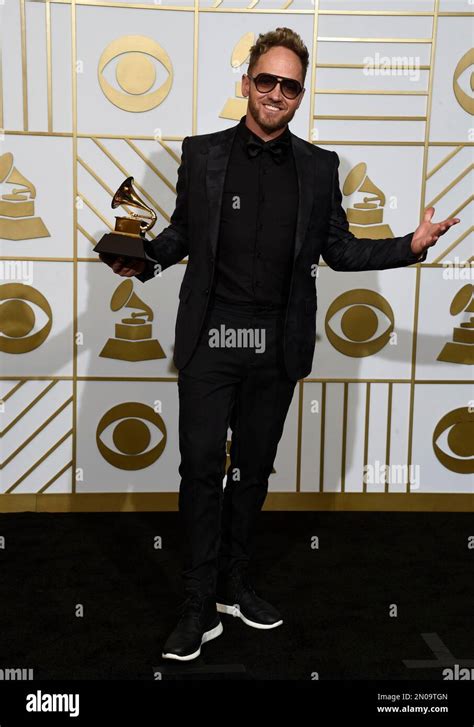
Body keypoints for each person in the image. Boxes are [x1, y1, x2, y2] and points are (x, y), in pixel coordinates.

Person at [100, 27, 460, 662]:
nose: (275, 93)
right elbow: (183, 232)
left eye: (289, 86)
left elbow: (340, 249)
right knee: (201, 469)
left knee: (253, 471)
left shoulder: (321, 167)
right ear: (246, 84)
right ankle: (197, 602)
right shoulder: (202, 153)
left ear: (300, 96)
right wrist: (143, 261)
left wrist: (409, 246)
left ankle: (235, 585)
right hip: (211, 338)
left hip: (276, 342)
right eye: (265, 80)